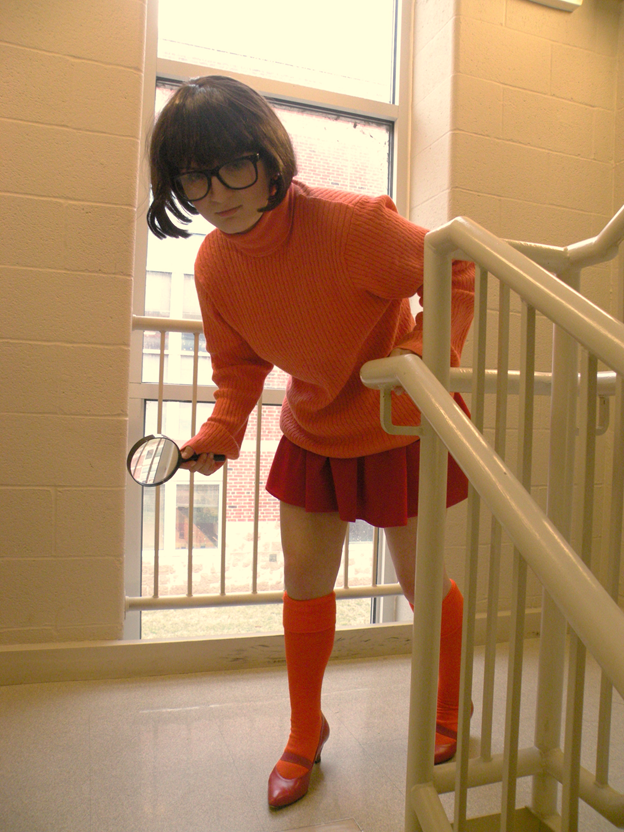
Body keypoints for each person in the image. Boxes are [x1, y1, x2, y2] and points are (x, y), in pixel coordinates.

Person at [147, 75, 475, 809]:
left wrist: (422, 353)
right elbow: (238, 369)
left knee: (420, 579)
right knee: (303, 580)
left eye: (234, 166)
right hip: (314, 427)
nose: (217, 193)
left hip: (398, 422)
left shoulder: (351, 225)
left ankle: (451, 707)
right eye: (195, 177)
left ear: (268, 157)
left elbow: (456, 267)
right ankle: (304, 732)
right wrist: (219, 433)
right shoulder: (213, 263)